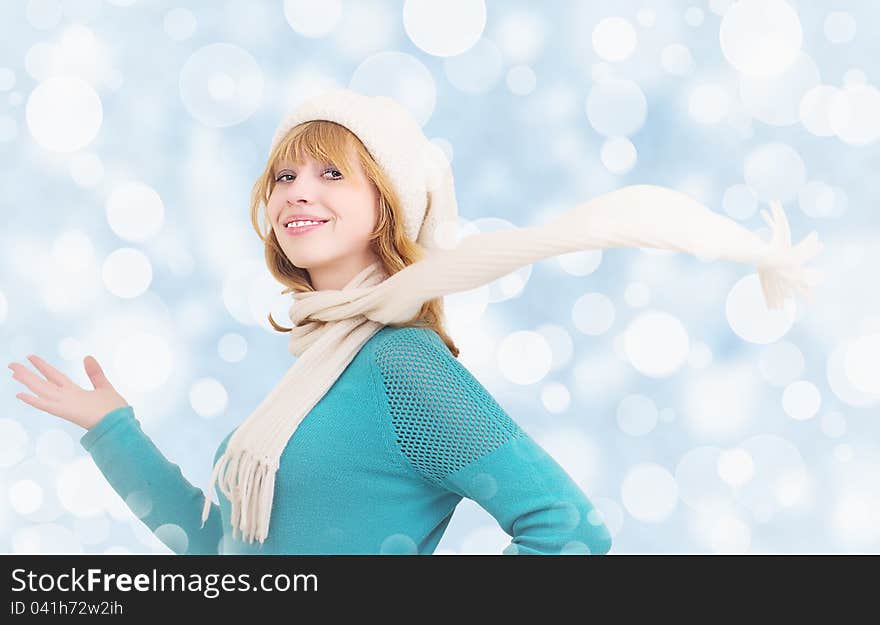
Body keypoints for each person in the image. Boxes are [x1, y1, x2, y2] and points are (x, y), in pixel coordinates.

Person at [9, 88, 823, 555]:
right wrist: (112, 429)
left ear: (385, 209)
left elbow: (569, 532)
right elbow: (215, 552)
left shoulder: (403, 367)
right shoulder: (311, 371)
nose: (297, 189)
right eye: (284, 173)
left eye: (333, 172)